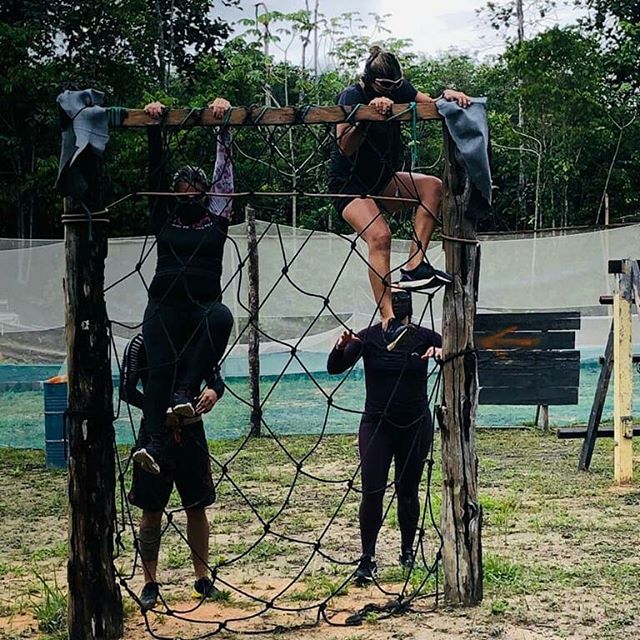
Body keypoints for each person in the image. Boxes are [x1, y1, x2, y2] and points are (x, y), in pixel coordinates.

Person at [328, 46, 470, 348]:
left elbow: (430, 104)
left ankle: (413, 266)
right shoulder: (352, 96)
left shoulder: (399, 88)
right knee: (380, 236)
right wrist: (366, 117)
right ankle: (388, 320)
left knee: (432, 187)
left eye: (395, 87)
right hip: (349, 185)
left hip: (381, 180)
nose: (391, 92)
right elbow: (345, 146)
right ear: (369, 81)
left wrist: (449, 96)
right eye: (384, 88)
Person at [133, 97, 234, 475]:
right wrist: (155, 129)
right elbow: (154, 175)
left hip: (202, 306)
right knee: (158, 368)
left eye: (195, 186)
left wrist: (222, 130)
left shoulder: (217, 217)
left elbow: (225, 176)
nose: (188, 192)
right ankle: (153, 444)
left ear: (205, 191)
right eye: (182, 187)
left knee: (222, 317)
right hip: (164, 305)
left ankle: (185, 392)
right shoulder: (165, 216)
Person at [326, 290, 442, 585]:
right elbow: (334, 368)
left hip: (415, 423)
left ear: (410, 314)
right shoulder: (367, 337)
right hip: (377, 424)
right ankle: (367, 558)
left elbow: (459, 357)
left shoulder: (426, 337)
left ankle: (407, 551)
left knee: (408, 490)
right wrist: (340, 347)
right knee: (372, 490)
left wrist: (443, 354)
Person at [121, 333, 225, 611]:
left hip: (192, 431)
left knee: (197, 506)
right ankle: (149, 582)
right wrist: (157, 410)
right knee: (151, 510)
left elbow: (216, 380)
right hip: (154, 434)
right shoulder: (141, 343)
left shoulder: (199, 339)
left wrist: (213, 392)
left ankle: (202, 578)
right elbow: (126, 389)